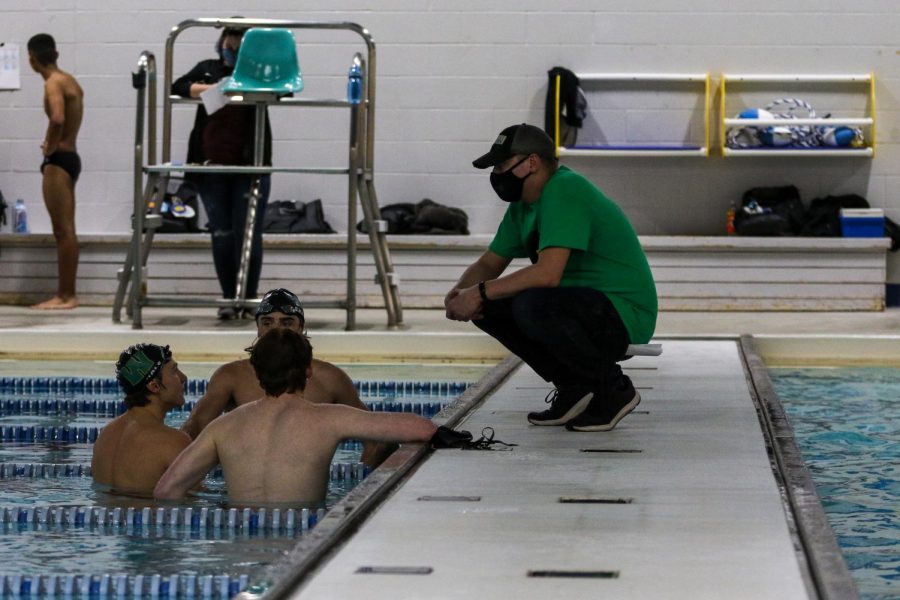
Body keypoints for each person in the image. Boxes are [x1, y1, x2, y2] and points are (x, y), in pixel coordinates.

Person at [445, 123, 658, 432]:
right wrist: (459, 294)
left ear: (531, 163)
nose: (497, 175)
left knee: (530, 304)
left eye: (503, 165)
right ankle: (575, 388)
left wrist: (479, 291)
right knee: (489, 306)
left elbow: (548, 274)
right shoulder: (524, 206)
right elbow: (491, 262)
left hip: (624, 313)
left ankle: (613, 389)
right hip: (581, 307)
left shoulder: (565, 189)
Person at [155, 329, 438, 505]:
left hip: (237, 549)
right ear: (309, 371)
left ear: (256, 372)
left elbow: (167, 489)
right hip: (301, 543)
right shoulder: (328, 419)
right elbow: (420, 428)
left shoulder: (222, 427)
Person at [180, 288, 391, 467]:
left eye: (286, 322)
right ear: (258, 327)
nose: (276, 330)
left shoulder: (330, 378)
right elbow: (193, 428)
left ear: (301, 327)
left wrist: (360, 482)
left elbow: (376, 441)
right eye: (268, 322)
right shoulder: (231, 376)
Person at [171, 23, 272, 320]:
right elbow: (177, 86)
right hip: (211, 165)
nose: (235, 44)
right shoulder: (208, 68)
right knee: (222, 233)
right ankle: (229, 296)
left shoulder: (258, 72)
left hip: (249, 166)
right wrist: (217, 89)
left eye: (242, 39)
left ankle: (249, 298)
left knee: (248, 235)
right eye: (233, 37)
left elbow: (282, 90)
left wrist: (239, 86)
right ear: (223, 39)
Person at [27, 33, 84, 310]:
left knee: (62, 230)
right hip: (71, 156)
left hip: (59, 159)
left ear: (32, 58)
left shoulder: (52, 83)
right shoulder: (70, 80)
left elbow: (58, 118)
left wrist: (49, 146)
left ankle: (65, 295)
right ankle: (67, 293)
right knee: (68, 229)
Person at [92, 344, 192, 494]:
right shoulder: (173, 441)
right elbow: (196, 502)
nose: (183, 378)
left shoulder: (106, 434)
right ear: (154, 386)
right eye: (174, 371)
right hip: (149, 517)